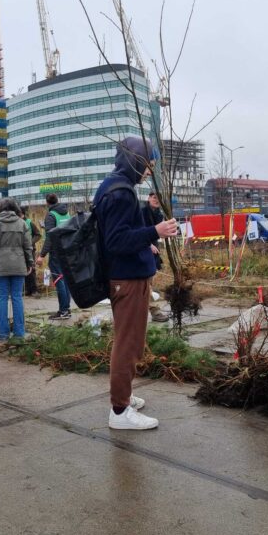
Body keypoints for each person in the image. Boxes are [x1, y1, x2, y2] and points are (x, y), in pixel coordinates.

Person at [93, 137, 178, 430]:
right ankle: (119, 411)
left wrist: (149, 235)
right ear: (136, 161)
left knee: (132, 342)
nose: (148, 172)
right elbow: (117, 241)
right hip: (126, 279)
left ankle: (125, 395)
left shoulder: (117, 187)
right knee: (127, 345)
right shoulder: (120, 193)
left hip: (130, 277)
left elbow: (124, 232)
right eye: (148, 165)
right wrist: (155, 231)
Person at [0, 199, 33, 342]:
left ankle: (3, 334)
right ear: (15, 209)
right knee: (17, 297)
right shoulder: (22, 223)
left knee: (2, 298)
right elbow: (28, 246)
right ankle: (19, 333)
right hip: (18, 265)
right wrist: (29, 263)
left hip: (1, 265)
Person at [35, 193, 72, 320]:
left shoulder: (51, 215)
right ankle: (67, 309)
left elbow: (50, 237)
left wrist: (41, 255)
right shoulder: (66, 213)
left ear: (47, 202)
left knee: (58, 280)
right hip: (67, 250)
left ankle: (63, 311)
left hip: (57, 252)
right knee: (66, 280)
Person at [142, 192, 170, 323]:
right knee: (146, 284)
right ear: (149, 198)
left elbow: (159, 233)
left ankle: (141, 311)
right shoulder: (141, 212)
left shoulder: (159, 215)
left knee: (148, 283)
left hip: (153, 249)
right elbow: (137, 231)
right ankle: (154, 311)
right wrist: (148, 244)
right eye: (154, 198)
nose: (156, 200)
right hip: (142, 249)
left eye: (159, 199)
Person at [20, 206, 41, 297]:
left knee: (31, 270)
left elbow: (38, 235)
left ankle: (34, 290)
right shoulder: (17, 223)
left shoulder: (29, 223)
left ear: (22, 214)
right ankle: (26, 290)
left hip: (30, 250)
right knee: (22, 270)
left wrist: (30, 242)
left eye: (18, 214)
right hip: (20, 251)